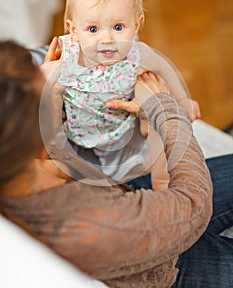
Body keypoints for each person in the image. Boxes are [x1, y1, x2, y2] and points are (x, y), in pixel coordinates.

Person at [1, 39, 233, 287]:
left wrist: (52, 96)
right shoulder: (88, 225)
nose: (50, 73)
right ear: (36, 144)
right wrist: (165, 110)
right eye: (42, 86)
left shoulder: (13, 168)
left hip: (129, 197)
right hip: (169, 269)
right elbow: (194, 205)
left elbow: (61, 157)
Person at [41, 0, 201, 189]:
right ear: (73, 31)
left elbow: (163, 67)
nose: (106, 40)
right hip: (76, 135)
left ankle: (162, 181)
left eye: (118, 27)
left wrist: (183, 100)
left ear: (136, 25)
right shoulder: (69, 59)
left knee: (153, 100)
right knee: (49, 100)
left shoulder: (136, 55)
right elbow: (35, 79)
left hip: (124, 130)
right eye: (93, 29)